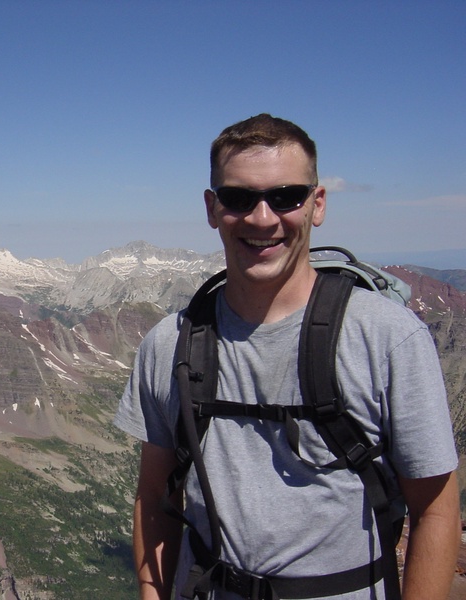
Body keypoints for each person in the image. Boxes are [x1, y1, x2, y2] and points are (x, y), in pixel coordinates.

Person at [114, 114, 460, 600]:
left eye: (286, 196)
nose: (261, 217)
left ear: (317, 205)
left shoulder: (388, 338)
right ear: (212, 209)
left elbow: (437, 511)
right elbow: (155, 499)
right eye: (238, 198)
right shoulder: (166, 345)